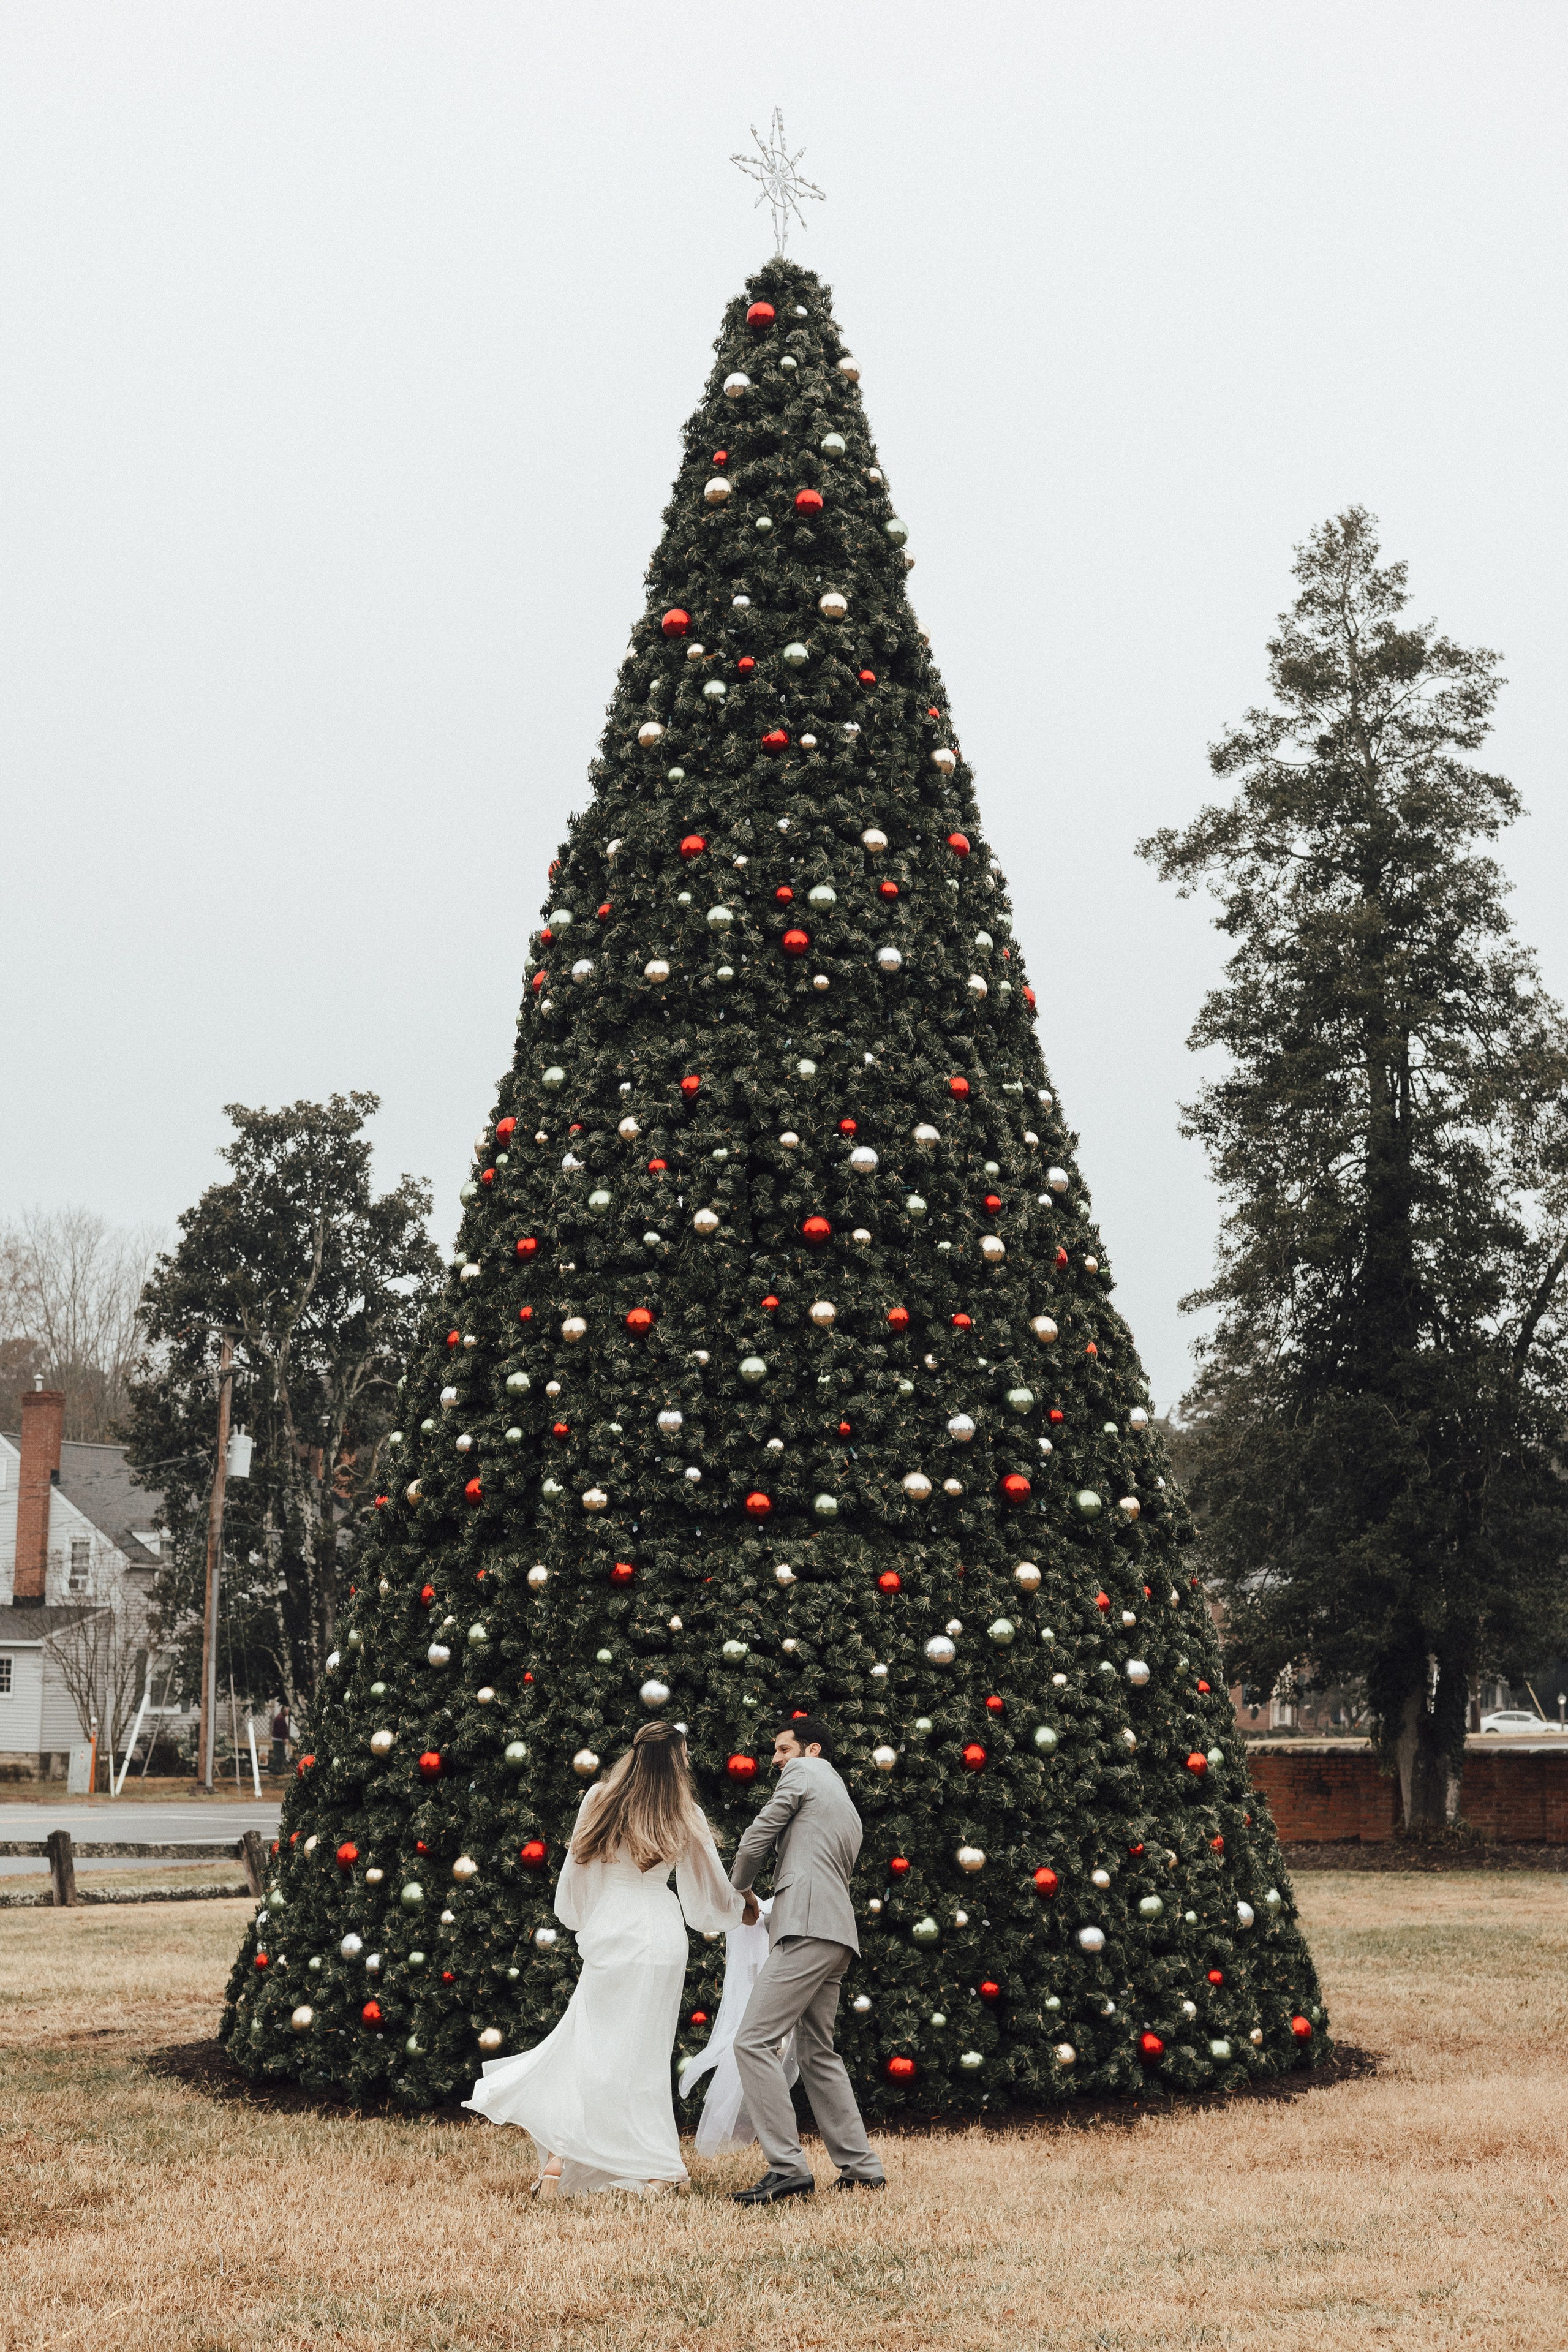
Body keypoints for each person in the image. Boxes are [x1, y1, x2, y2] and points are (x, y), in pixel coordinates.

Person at [465, 1720, 750, 2196]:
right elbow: (710, 1893)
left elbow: (577, 1874)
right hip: (660, 1932)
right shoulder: (684, 1811)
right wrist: (743, 1908)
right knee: (644, 2053)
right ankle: (656, 2166)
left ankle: (562, 2160)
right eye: (684, 1757)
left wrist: (585, 1924)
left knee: (592, 2044)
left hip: (613, 1927)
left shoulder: (600, 1798)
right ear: (675, 1760)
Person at [727, 1716, 886, 2204]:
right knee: (818, 2052)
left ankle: (787, 2169)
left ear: (812, 1749)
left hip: (807, 1926)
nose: (775, 1759)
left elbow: (758, 1835)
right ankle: (861, 2169)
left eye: (783, 1749)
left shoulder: (805, 1773)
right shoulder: (846, 1803)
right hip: (837, 1933)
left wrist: (740, 1890)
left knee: (752, 2041)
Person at [269, 1702, 289, 1777]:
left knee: (280, 1755)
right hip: (278, 1739)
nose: (288, 1713)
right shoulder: (280, 1719)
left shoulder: (281, 1717)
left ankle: (276, 1769)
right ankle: (273, 1768)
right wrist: (284, 1738)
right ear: (283, 1711)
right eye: (287, 1711)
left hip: (279, 1739)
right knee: (279, 1755)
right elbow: (281, 1730)